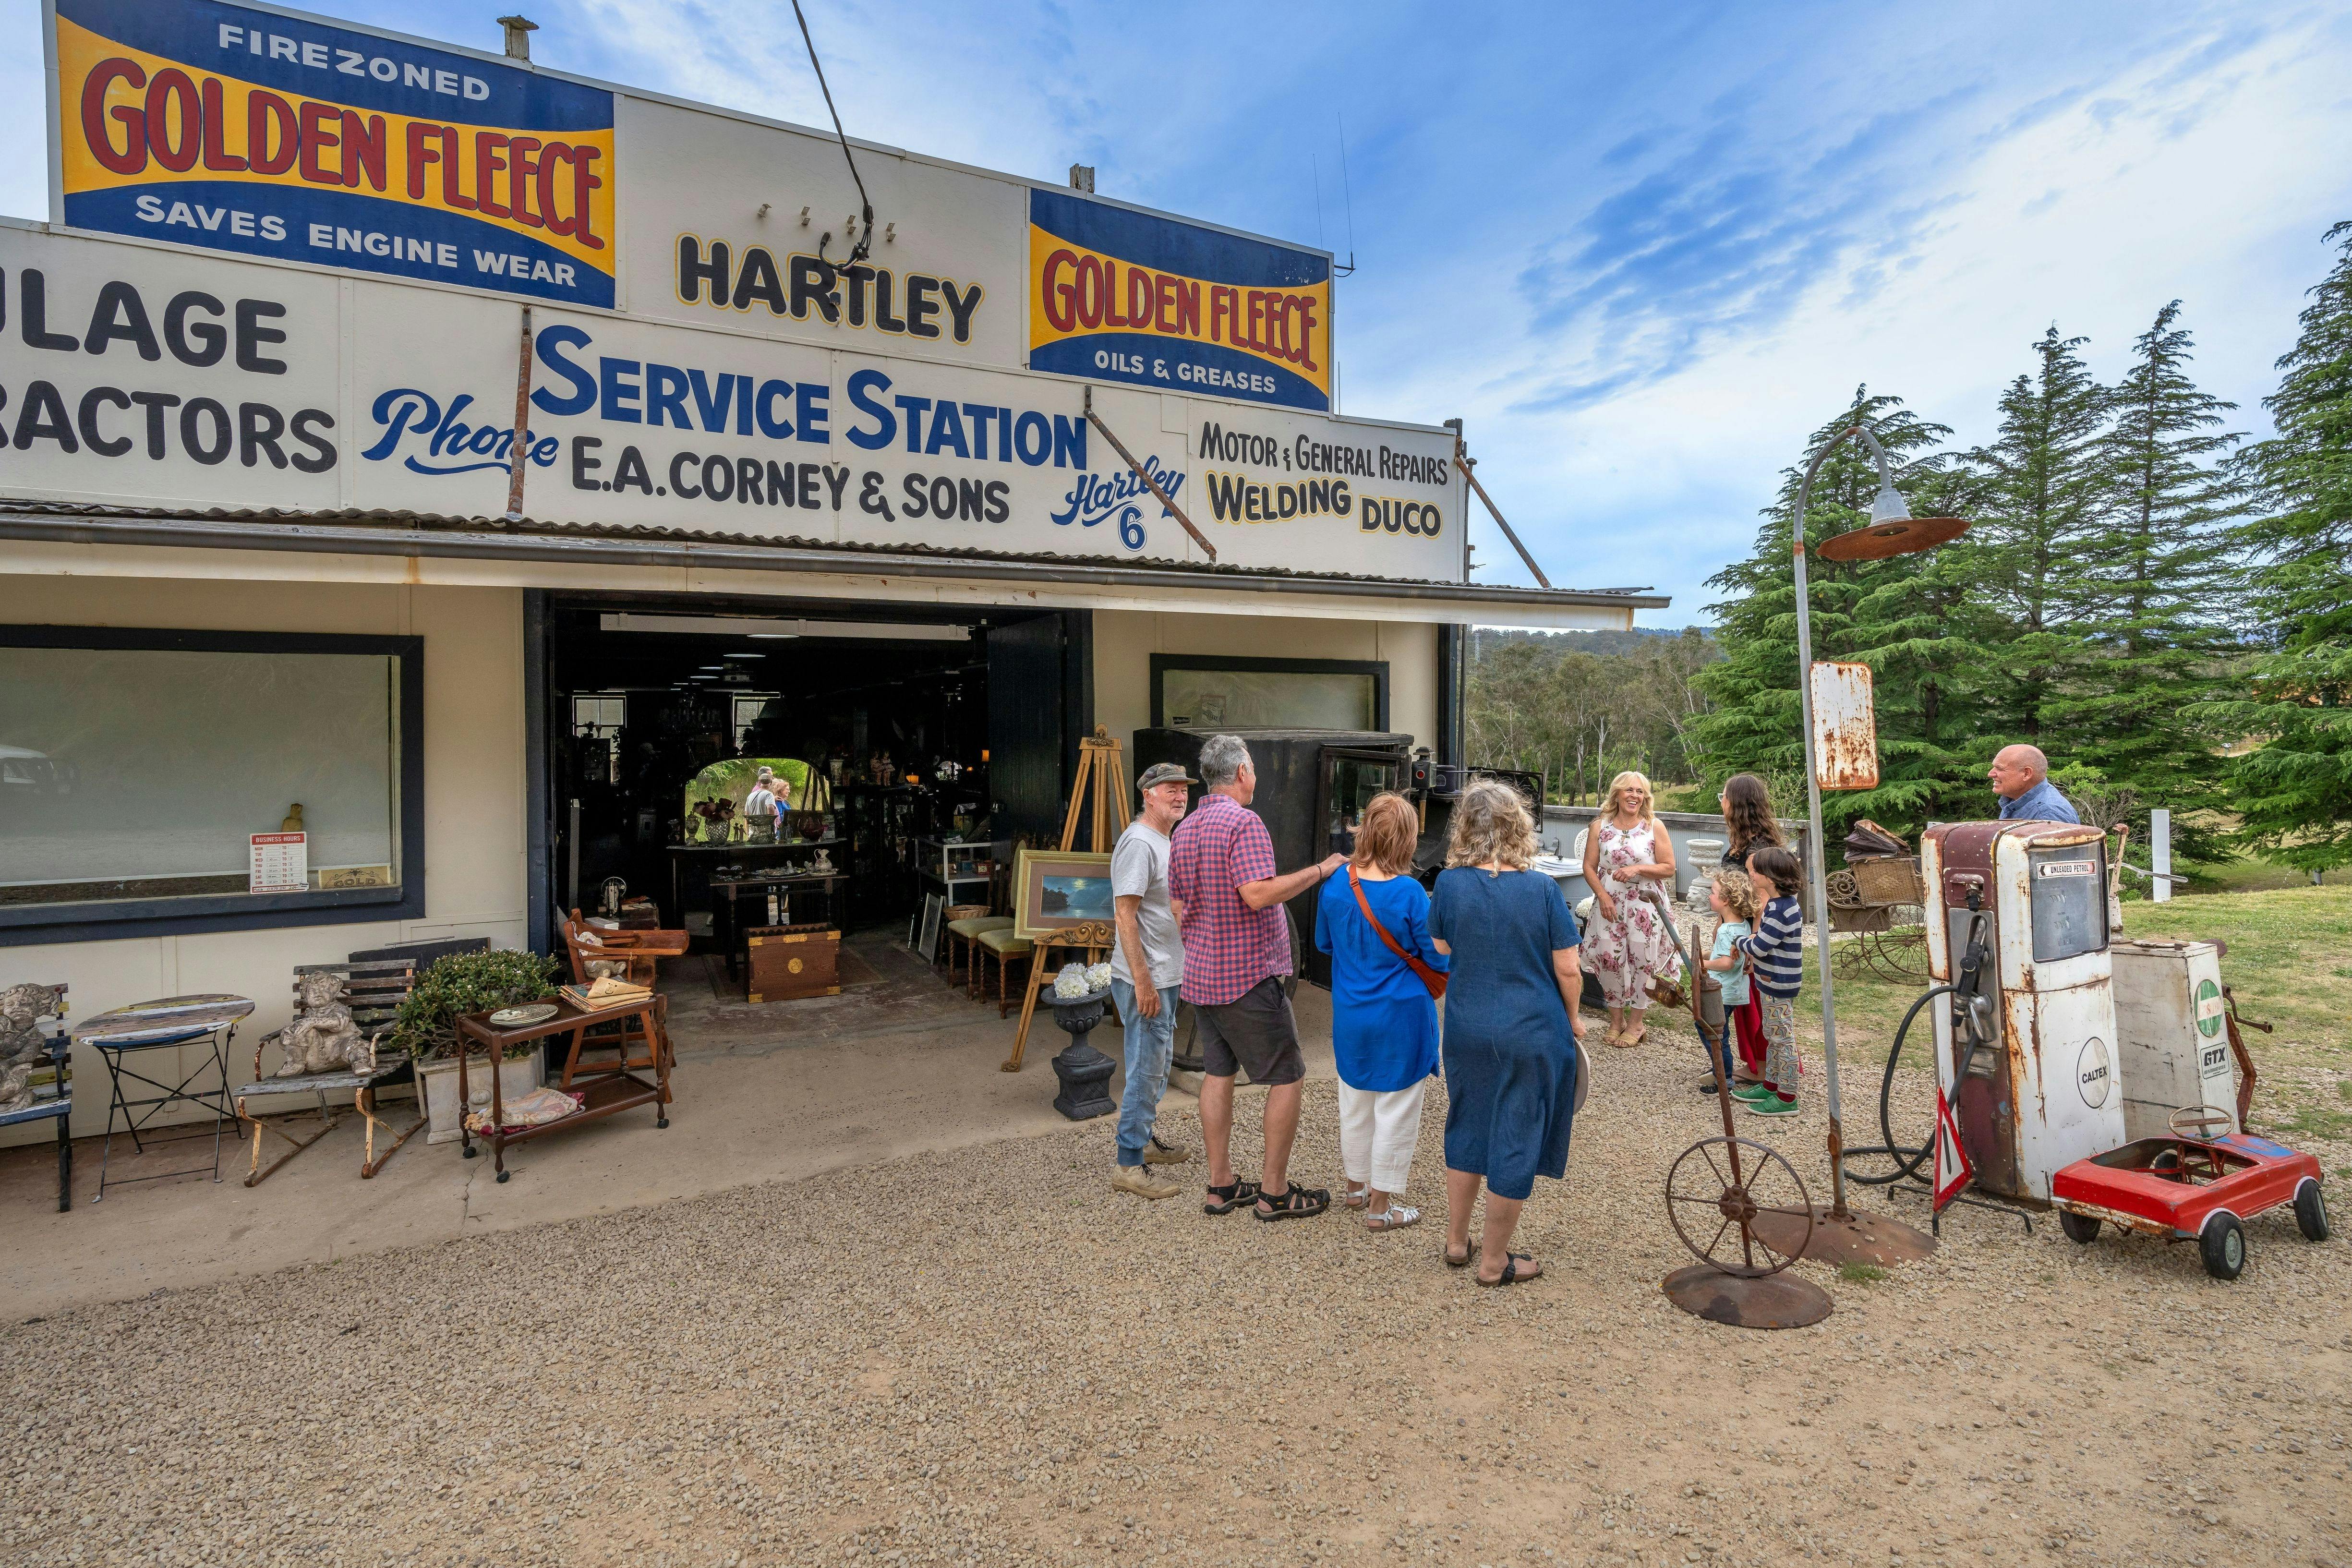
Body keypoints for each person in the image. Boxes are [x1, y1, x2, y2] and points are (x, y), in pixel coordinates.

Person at [1169, 734, 1346, 1221]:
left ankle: (1221, 1184)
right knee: (1287, 1075)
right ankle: (1274, 1193)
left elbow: (1178, 906)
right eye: (1253, 769)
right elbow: (1257, 893)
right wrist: (1321, 870)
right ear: (1243, 771)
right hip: (1246, 974)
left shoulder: (1184, 829)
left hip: (1202, 974)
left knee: (1218, 1074)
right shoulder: (1244, 823)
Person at [1430, 780, 1588, 1286]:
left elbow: (1442, 946)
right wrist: (1576, 1018)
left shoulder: (1450, 884)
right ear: (1518, 826)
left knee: (1467, 1123)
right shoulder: (1541, 889)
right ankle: (1495, 1261)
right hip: (1531, 1027)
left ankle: (1457, 1241)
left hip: (1466, 1025)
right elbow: (1568, 968)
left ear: (1465, 827)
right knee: (1515, 1136)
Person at [1314, 791, 1447, 1233]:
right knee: (1397, 1108)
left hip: (1351, 1009)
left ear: (1364, 830)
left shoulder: (1336, 882)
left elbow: (1324, 945)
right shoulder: (1410, 892)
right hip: (1402, 1015)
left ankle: (1355, 1189)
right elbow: (1439, 959)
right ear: (1408, 840)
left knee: (1354, 1102)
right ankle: (1381, 1207)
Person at [1108, 762, 1197, 1200]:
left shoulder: (1165, 838)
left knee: (1158, 1064)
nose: (1179, 796)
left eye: (1183, 790)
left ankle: (1142, 1140)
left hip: (1167, 972)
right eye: (1170, 790)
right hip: (1148, 976)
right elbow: (1124, 915)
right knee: (1146, 1068)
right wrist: (1143, 981)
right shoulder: (1139, 843)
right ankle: (1129, 1164)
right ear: (1148, 794)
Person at [1580, 770, 1678, 1049]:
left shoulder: (1653, 826)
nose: (1634, 796)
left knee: (1643, 961)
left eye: (1640, 791)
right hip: (1609, 902)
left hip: (1645, 904)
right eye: (1629, 790)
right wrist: (1603, 896)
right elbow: (1589, 867)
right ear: (1618, 794)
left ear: (1645, 797)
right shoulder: (1600, 827)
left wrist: (1636, 868)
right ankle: (1616, 1020)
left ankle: (1637, 1024)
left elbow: (1669, 867)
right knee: (1610, 958)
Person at [1734, 846, 1807, 1118]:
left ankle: (1787, 1097)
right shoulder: (1779, 904)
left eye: (1755, 870)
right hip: (1771, 981)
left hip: (1777, 982)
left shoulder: (1780, 910)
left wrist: (1740, 942)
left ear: (1771, 877)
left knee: (1782, 1039)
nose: (1751, 874)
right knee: (1772, 1035)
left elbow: (1762, 946)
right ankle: (1771, 1085)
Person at [1701, 866, 1761, 1095]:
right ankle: (1720, 1067)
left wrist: (1702, 965)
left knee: (1713, 1033)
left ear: (1725, 900)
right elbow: (1725, 956)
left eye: (1713, 892)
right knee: (1718, 1033)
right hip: (1734, 990)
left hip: (1721, 992)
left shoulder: (1727, 931)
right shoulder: (1741, 926)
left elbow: (1727, 963)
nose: (1709, 896)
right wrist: (1706, 955)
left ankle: (1724, 1077)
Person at [1989, 744, 2080, 824]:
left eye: (2000, 769)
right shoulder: (2016, 797)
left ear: (2026, 774)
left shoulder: (2048, 816)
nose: (1990, 774)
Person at [1717, 772, 1787, 872]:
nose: (1722, 802)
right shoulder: (1745, 839)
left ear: (1737, 803)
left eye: (1723, 797)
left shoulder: (1757, 852)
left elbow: (1760, 887)